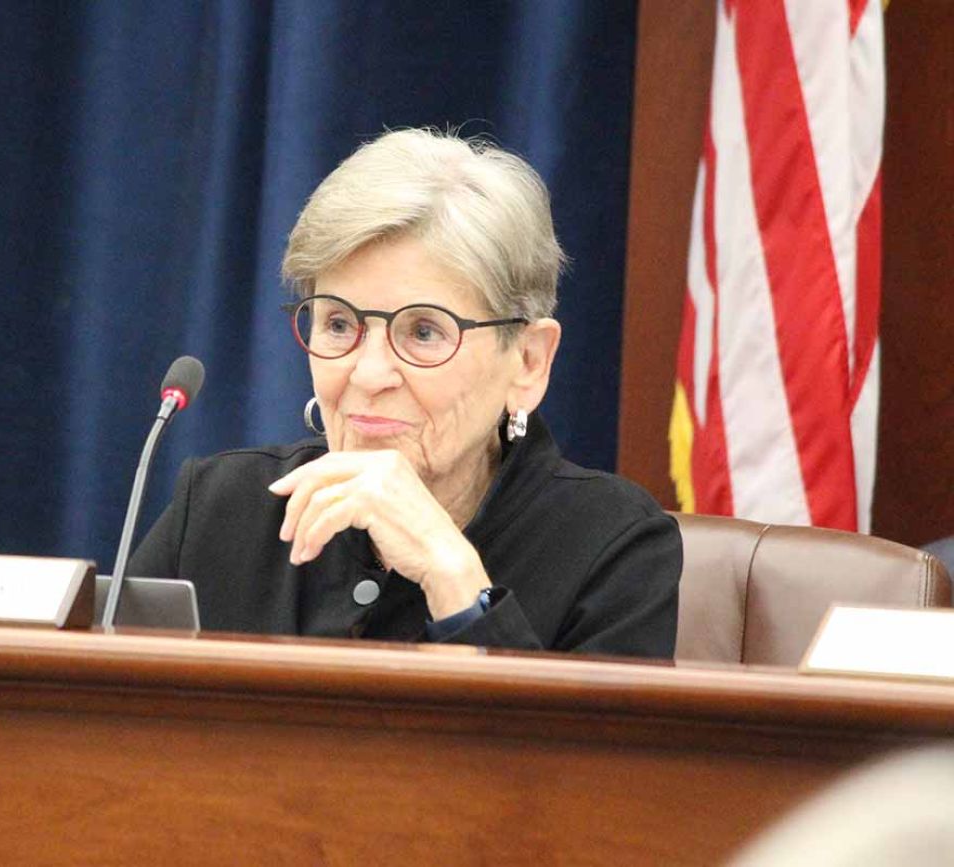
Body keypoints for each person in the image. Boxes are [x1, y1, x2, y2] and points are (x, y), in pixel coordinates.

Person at [129, 128, 680, 655]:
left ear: (528, 362)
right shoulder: (220, 507)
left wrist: (454, 580)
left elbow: (561, 757)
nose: (368, 375)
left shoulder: (614, 547)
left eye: (423, 332)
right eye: (339, 324)